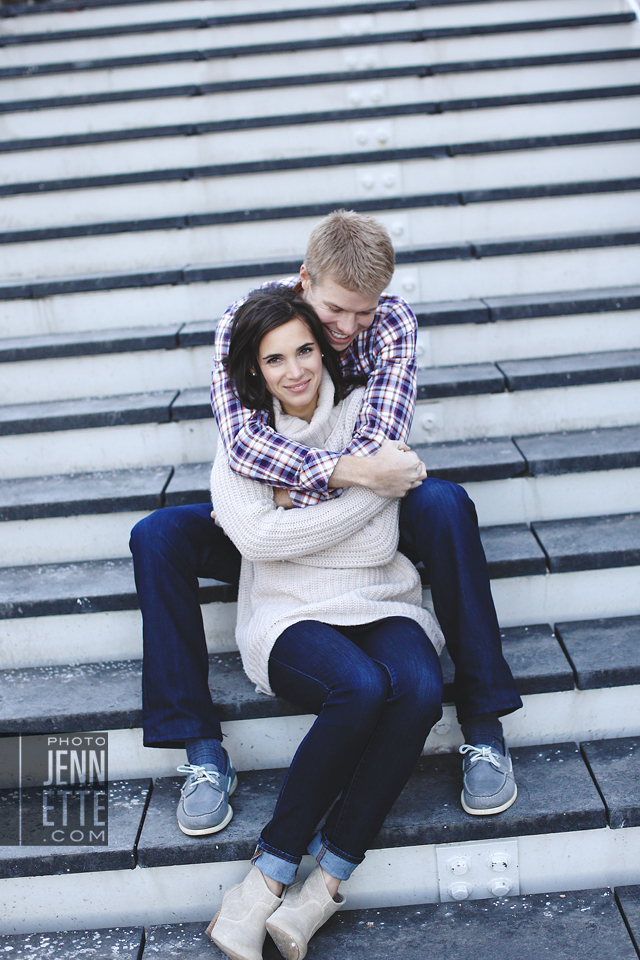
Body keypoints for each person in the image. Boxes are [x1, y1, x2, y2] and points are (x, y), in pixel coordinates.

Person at [129, 210, 522, 838]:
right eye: (336, 312)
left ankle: (484, 726)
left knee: (445, 503)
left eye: (361, 313)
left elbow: (383, 450)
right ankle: (200, 750)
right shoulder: (251, 321)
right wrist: (334, 480)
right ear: (306, 281)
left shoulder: (389, 322)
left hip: (372, 521)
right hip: (284, 520)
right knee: (157, 536)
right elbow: (245, 449)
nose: (347, 329)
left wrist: (305, 493)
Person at [205, 286, 445, 960]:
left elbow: (373, 546)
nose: (297, 370)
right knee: (361, 689)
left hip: (379, 597)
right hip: (287, 613)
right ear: (256, 371)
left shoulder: (366, 414)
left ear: (323, 345)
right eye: (275, 359)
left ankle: (324, 888)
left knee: (420, 689)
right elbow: (257, 543)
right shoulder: (243, 443)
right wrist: (361, 486)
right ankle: (264, 881)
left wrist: (295, 508)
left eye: (305, 349)